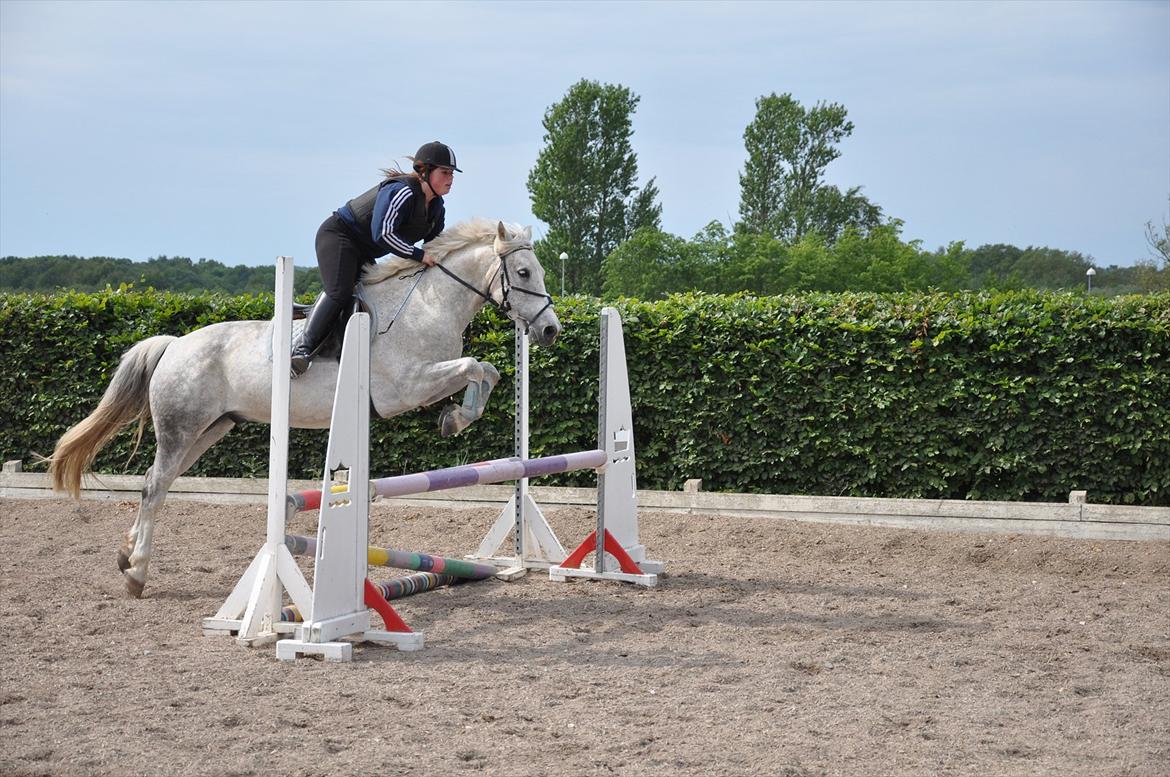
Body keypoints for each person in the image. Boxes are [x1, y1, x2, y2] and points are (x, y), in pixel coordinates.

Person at [290, 140, 461, 377]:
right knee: (340, 291)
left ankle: (324, 328)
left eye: (452, 173)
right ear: (425, 171)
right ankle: (301, 349)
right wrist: (419, 255)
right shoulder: (401, 191)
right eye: (445, 172)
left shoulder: (437, 208)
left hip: (364, 251)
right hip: (340, 236)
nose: (450, 179)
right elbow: (383, 234)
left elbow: (434, 245)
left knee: (374, 298)